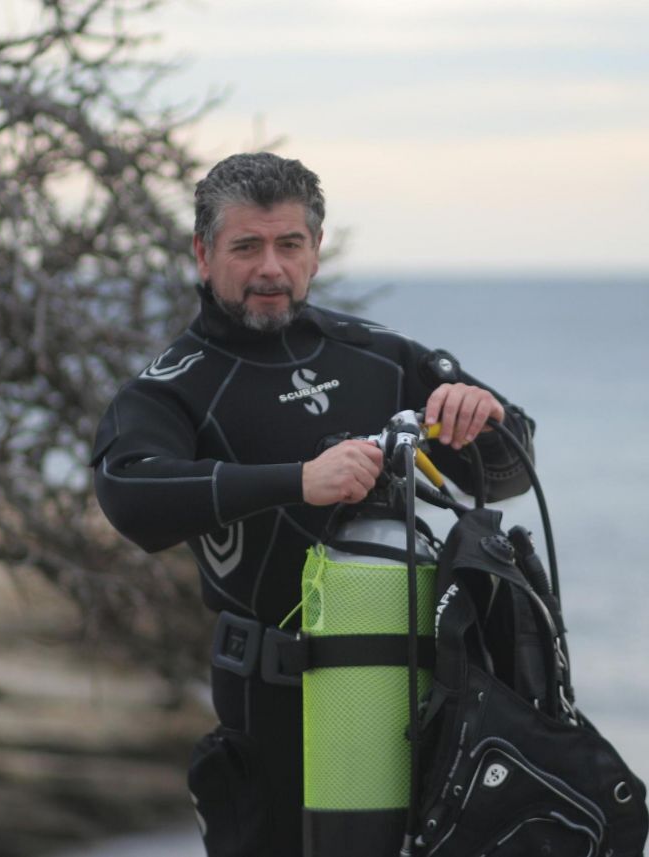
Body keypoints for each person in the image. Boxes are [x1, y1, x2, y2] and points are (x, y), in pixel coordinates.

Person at [90, 152, 534, 857]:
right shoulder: (175, 387)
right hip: (268, 705)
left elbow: (512, 469)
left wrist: (484, 415)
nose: (271, 268)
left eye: (289, 244)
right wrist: (298, 479)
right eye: (247, 247)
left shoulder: (377, 357)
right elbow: (130, 492)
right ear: (203, 255)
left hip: (413, 694)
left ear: (315, 251)